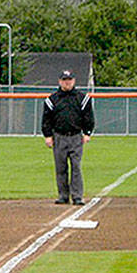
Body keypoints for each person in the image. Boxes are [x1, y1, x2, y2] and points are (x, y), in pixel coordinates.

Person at [42, 69, 95, 206]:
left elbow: (88, 117)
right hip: (59, 136)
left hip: (76, 136)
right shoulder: (52, 99)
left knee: (76, 166)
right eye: (64, 81)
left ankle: (77, 196)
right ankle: (63, 195)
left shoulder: (82, 98)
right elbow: (47, 119)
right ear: (60, 82)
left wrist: (87, 132)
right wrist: (48, 135)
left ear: (74, 81)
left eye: (69, 80)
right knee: (61, 167)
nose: (67, 83)